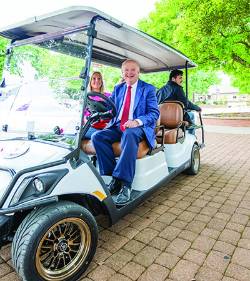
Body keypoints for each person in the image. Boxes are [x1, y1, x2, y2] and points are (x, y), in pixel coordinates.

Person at [92, 59, 159, 205]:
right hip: (118, 126)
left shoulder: (148, 89)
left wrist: (136, 121)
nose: (129, 73)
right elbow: (111, 109)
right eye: (126, 70)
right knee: (97, 137)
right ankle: (113, 179)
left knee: (129, 134)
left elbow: (154, 113)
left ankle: (125, 184)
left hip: (137, 128)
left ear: (138, 71)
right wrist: (98, 111)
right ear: (122, 73)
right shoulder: (118, 89)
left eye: (132, 70)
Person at [157, 69, 201, 134]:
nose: (182, 80)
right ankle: (191, 136)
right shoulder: (177, 88)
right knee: (192, 115)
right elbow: (186, 103)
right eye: (180, 78)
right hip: (175, 118)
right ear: (173, 79)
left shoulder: (160, 90)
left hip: (162, 119)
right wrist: (197, 108)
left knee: (189, 115)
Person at [83, 71, 111, 139]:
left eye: (99, 78)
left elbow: (113, 112)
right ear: (90, 81)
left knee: (95, 135)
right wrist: (86, 121)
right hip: (90, 126)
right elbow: (82, 115)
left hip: (105, 127)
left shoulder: (109, 96)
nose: (97, 80)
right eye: (94, 78)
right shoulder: (85, 96)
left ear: (102, 81)